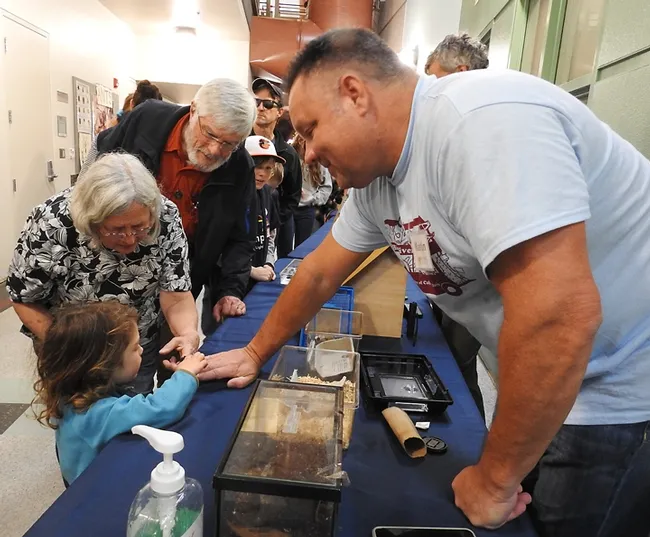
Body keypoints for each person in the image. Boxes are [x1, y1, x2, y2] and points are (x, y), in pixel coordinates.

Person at [192, 29, 650, 537]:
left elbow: (559, 318)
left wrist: (496, 480)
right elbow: (321, 270)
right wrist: (256, 353)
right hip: (555, 381)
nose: (310, 153)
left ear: (354, 93)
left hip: (617, 385)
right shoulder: (377, 181)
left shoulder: (482, 122)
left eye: (311, 129)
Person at [7, 153, 199, 395]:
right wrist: (75, 350)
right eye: (117, 230)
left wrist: (188, 333)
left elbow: (177, 294)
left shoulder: (166, 216)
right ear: (92, 221)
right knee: (78, 421)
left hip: (135, 348)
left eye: (140, 227)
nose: (130, 239)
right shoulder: (52, 221)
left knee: (134, 412)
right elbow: (26, 299)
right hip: (73, 351)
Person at [83, 78, 258, 333]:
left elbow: (241, 237)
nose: (214, 150)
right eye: (210, 134)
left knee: (173, 355)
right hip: (114, 271)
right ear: (194, 109)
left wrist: (230, 290)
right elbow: (101, 152)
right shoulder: (146, 119)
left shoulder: (240, 167)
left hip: (181, 282)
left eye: (230, 144)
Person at [33, 301, 207, 485]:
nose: (141, 350)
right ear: (105, 364)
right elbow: (161, 408)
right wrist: (186, 374)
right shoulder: (97, 413)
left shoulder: (70, 392)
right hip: (93, 492)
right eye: (134, 347)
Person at [251, 78, 302, 258]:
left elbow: (292, 196)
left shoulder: (288, 154)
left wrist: (272, 219)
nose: (260, 108)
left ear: (280, 111)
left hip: (274, 228)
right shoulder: (238, 143)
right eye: (256, 102)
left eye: (267, 103)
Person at [244, 135, 283, 287]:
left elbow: (270, 232)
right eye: (258, 166)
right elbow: (218, 249)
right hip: (229, 281)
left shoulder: (268, 193)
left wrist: (268, 263)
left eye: (268, 168)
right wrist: (250, 270)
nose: (263, 174)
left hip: (259, 272)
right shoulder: (228, 196)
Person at [292, 135, 332, 246]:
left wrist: (313, 198)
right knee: (285, 245)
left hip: (307, 208)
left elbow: (326, 187)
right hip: (289, 207)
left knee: (303, 245)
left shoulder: (319, 160)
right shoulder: (291, 155)